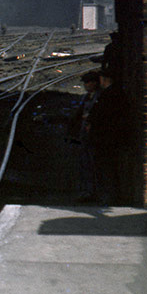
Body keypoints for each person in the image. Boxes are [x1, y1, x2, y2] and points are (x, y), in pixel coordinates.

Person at [87, 67, 128, 204]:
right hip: (109, 137)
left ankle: (110, 196)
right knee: (109, 167)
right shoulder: (116, 93)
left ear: (104, 80)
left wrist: (90, 120)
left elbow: (102, 116)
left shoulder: (109, 95)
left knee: (107, 168)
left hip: (105, 138)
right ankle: (110, 195)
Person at [68, 70, 101, 202]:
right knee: (85, 163)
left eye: (87, 83)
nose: (85, 86)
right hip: (84, 135)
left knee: (91, 164)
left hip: (93, 136)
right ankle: (87, 191)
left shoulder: (98, 97)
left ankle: (91, 192)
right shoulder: (87, 97)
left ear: (94, 83)